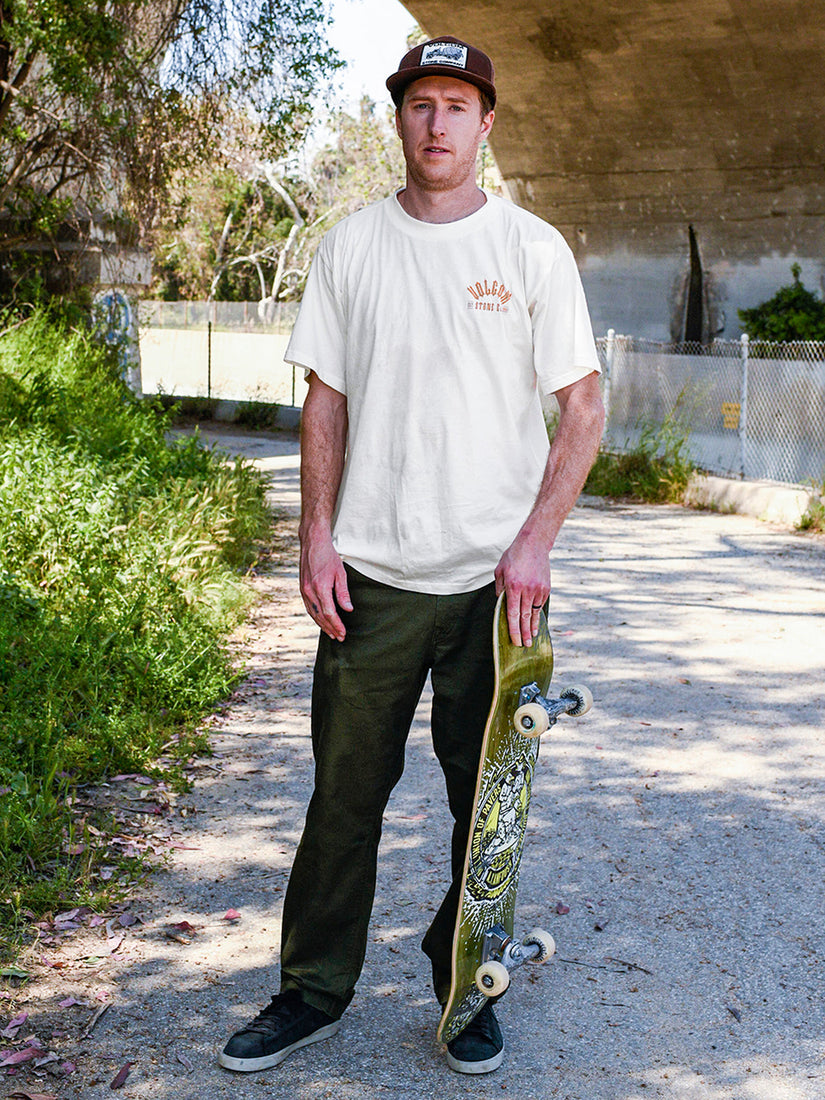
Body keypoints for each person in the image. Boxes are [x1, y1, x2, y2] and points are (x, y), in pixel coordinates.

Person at [219, 34, 605, 1077]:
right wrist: (315, 534)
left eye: (457, 105)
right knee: (343, 799)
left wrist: (534, 543)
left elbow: (584, 407)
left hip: (495, 590)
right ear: (399, 118)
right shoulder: (351, 247)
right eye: (421, 103)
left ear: (486, 124)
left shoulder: (531, 251)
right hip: (374, 581)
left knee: (488, 808)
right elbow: (325, 399)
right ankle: (310, 990)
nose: (438, 122)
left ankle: (468, 982)